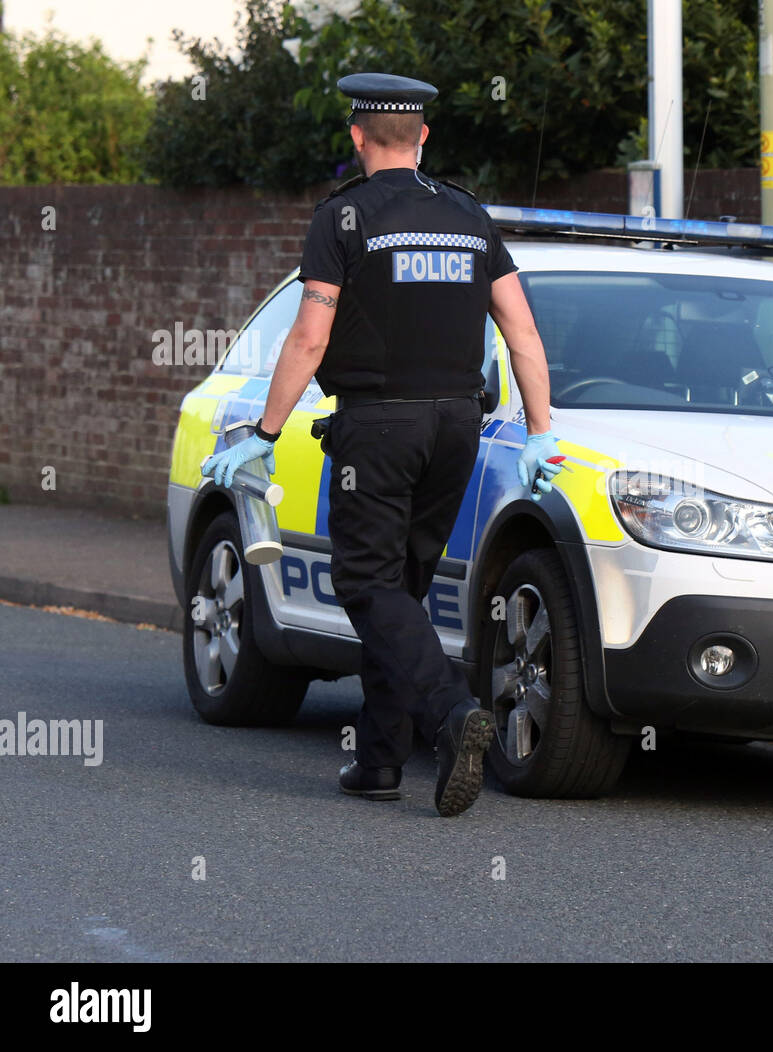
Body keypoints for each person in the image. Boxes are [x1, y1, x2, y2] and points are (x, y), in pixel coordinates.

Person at [201, 72, 563, 817]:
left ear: (358, 137)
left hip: (379, 427)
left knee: (366, 587)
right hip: (459, 428)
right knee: (401, 594)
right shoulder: (469, 217)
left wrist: (265, 433)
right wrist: (540, 432)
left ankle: (452, 712)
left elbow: (310, 336)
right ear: (423, 136)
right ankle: (378, 762)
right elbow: (522, 332)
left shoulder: (343, 221)